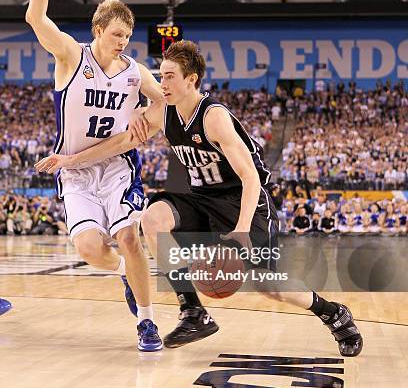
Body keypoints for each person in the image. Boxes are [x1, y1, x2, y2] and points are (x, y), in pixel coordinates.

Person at [35, 40, 363, 357]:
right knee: (152, 219)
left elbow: (250, 178)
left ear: (191, 79)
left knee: (267, 285)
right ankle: (193, 312)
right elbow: (121, 142)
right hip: (203, 198)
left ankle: (332, 313)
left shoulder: (213, 117)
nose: (161, 83)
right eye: (160, 75)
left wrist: (242, 230)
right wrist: (71, 160)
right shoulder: (162, 112)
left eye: (169, 76)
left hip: (243, 202)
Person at [26, 0, 163, 351]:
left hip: (117, 166)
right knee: (89, 248)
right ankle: (126, 271)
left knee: (128, 235)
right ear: (98, 30)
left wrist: (148, 120)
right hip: (74, 170)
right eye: (117, 34)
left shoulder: (135, 71)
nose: (122, 42)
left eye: (128, 35)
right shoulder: (71, 56)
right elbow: (37, 20)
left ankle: (146, 321)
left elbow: (166, 102)